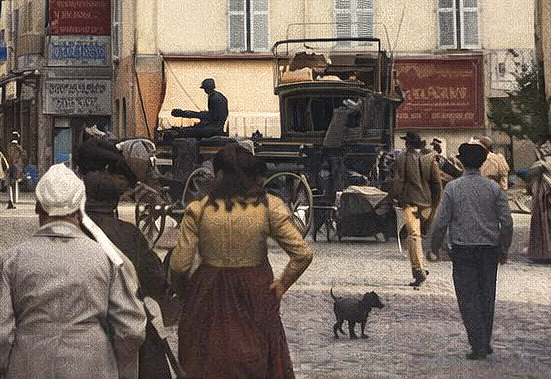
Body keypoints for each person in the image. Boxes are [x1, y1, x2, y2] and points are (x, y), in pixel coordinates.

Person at [0, 165, 147, 379]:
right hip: (92, 366)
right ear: (80, 209)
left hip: (29, 366)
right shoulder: (107, 258)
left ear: (38, 207)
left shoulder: (10, 261)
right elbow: (131, 330)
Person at [169, 143, 311, 379]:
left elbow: (179, 265)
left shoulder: (198, 210)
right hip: (254, 290)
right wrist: (282, 284)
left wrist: (184, 292)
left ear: (219, 175)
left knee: (206, 359)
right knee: (254, 355)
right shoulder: (269, 207)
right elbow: (303, 254)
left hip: (208, 291)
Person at [84, 171, 177, 379]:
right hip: (122, 322)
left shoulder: (75, 232)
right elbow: (153, 280)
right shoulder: (128, 234)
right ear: (114, 202)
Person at [427, 141, 513, 361]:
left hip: (463, 249)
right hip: (489, 249)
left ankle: (478, 343)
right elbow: (507, 222)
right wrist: (504, 248)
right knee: (487, 295)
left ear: (462, 162)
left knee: (468, 298)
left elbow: (441, 222)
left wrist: (434, 247)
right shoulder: (494, 188)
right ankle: (485, 340)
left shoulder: (453, 188)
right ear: (483, 162)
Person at [389, 130, 442, 287]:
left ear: (408, 144)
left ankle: (418, 269)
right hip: (427, 204)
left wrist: (395, 197)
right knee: (418, 236)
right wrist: (434, 204)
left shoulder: (402, 158)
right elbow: (437, 184)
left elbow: (398, 181)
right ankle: (420, 267)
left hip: (410, 202)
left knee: (413, 236)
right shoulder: (430, 159)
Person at [316, 99, 359, 195]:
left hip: (332, 148)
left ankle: (335, 191)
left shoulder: (340, 116)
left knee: (336, 172)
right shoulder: (340, 116)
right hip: (333, 148)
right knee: (336, 173)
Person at [6, 133, 25, 209]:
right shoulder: (18, 149)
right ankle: (13, 200)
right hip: (14, 167)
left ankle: (12, 200)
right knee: (13, 184)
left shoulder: (10, 148)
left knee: (11, 184)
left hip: (12, 167)